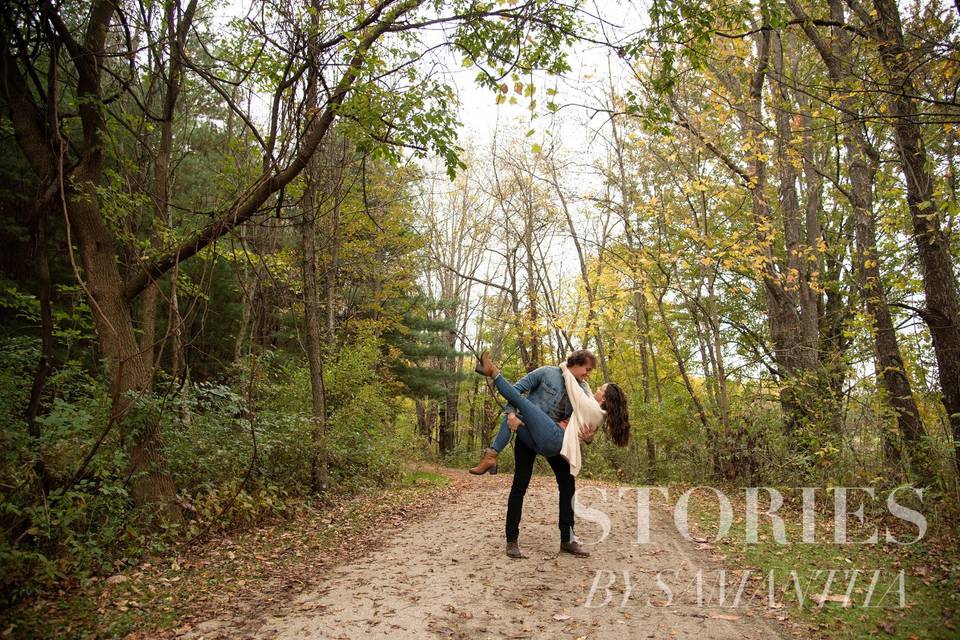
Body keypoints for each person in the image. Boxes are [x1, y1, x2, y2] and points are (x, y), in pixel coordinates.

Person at [468, 349, 628, 558]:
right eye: (586, 370)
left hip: (554, 440)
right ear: (576, 363)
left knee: (568, 485)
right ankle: (512, 540)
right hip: (528, 434)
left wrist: (588, 437)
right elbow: (517, 391)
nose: (588, 375)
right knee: (520, 484)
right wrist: (510, 414)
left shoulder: (581, 391)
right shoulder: (546, 373)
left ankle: (567, 539)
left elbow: (583, 423)